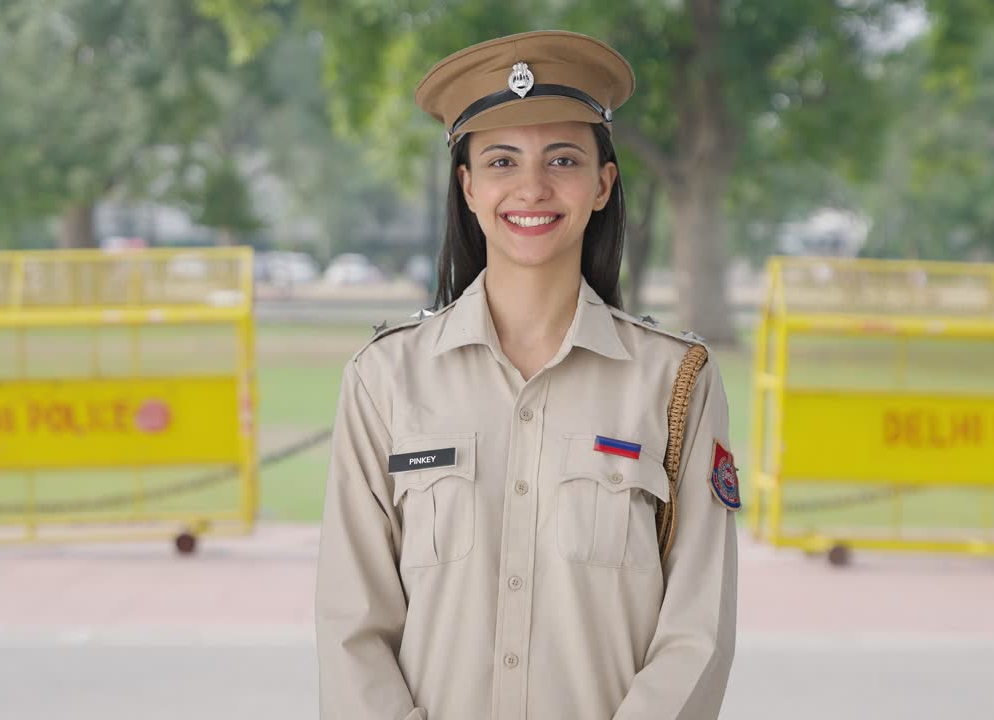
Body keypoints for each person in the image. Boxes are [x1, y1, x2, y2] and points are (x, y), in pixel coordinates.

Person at [315, 29, 739, 720]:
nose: (532, 187)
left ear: (602, 185)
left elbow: (698, 631)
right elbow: (351, 626)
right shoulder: (385, 378)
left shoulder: (675, 381)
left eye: (562, 159)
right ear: (468, 186)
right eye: (502, 161)